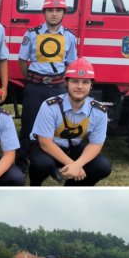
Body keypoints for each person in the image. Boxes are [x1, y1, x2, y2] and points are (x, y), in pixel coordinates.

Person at [28, 58, 111, 186]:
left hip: (72, 147)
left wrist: (78, 165)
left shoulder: (99, 111)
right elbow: (45, 143)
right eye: (75, 81)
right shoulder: (50, 106)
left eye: (85, 82)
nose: (79, 86)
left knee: (103, 167)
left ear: (91, 85)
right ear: (66, 83)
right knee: (42, 164)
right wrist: (72, 164)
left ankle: (71, 189)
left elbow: (96, 145)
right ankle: (35, 186)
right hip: (47, 149)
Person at [18, 0, 78, 159]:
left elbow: (71, 64)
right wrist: (31, 79)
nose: (54, 14)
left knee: (56, 125)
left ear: (63, 13)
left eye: (58, 10)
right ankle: (22, 161)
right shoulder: (31, 34)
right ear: (44, 13)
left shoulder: (69, 37)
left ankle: (51, 160)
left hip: (58, 88)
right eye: (50, 10)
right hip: (35, 87)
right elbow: (22, 60)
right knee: (28, 124)